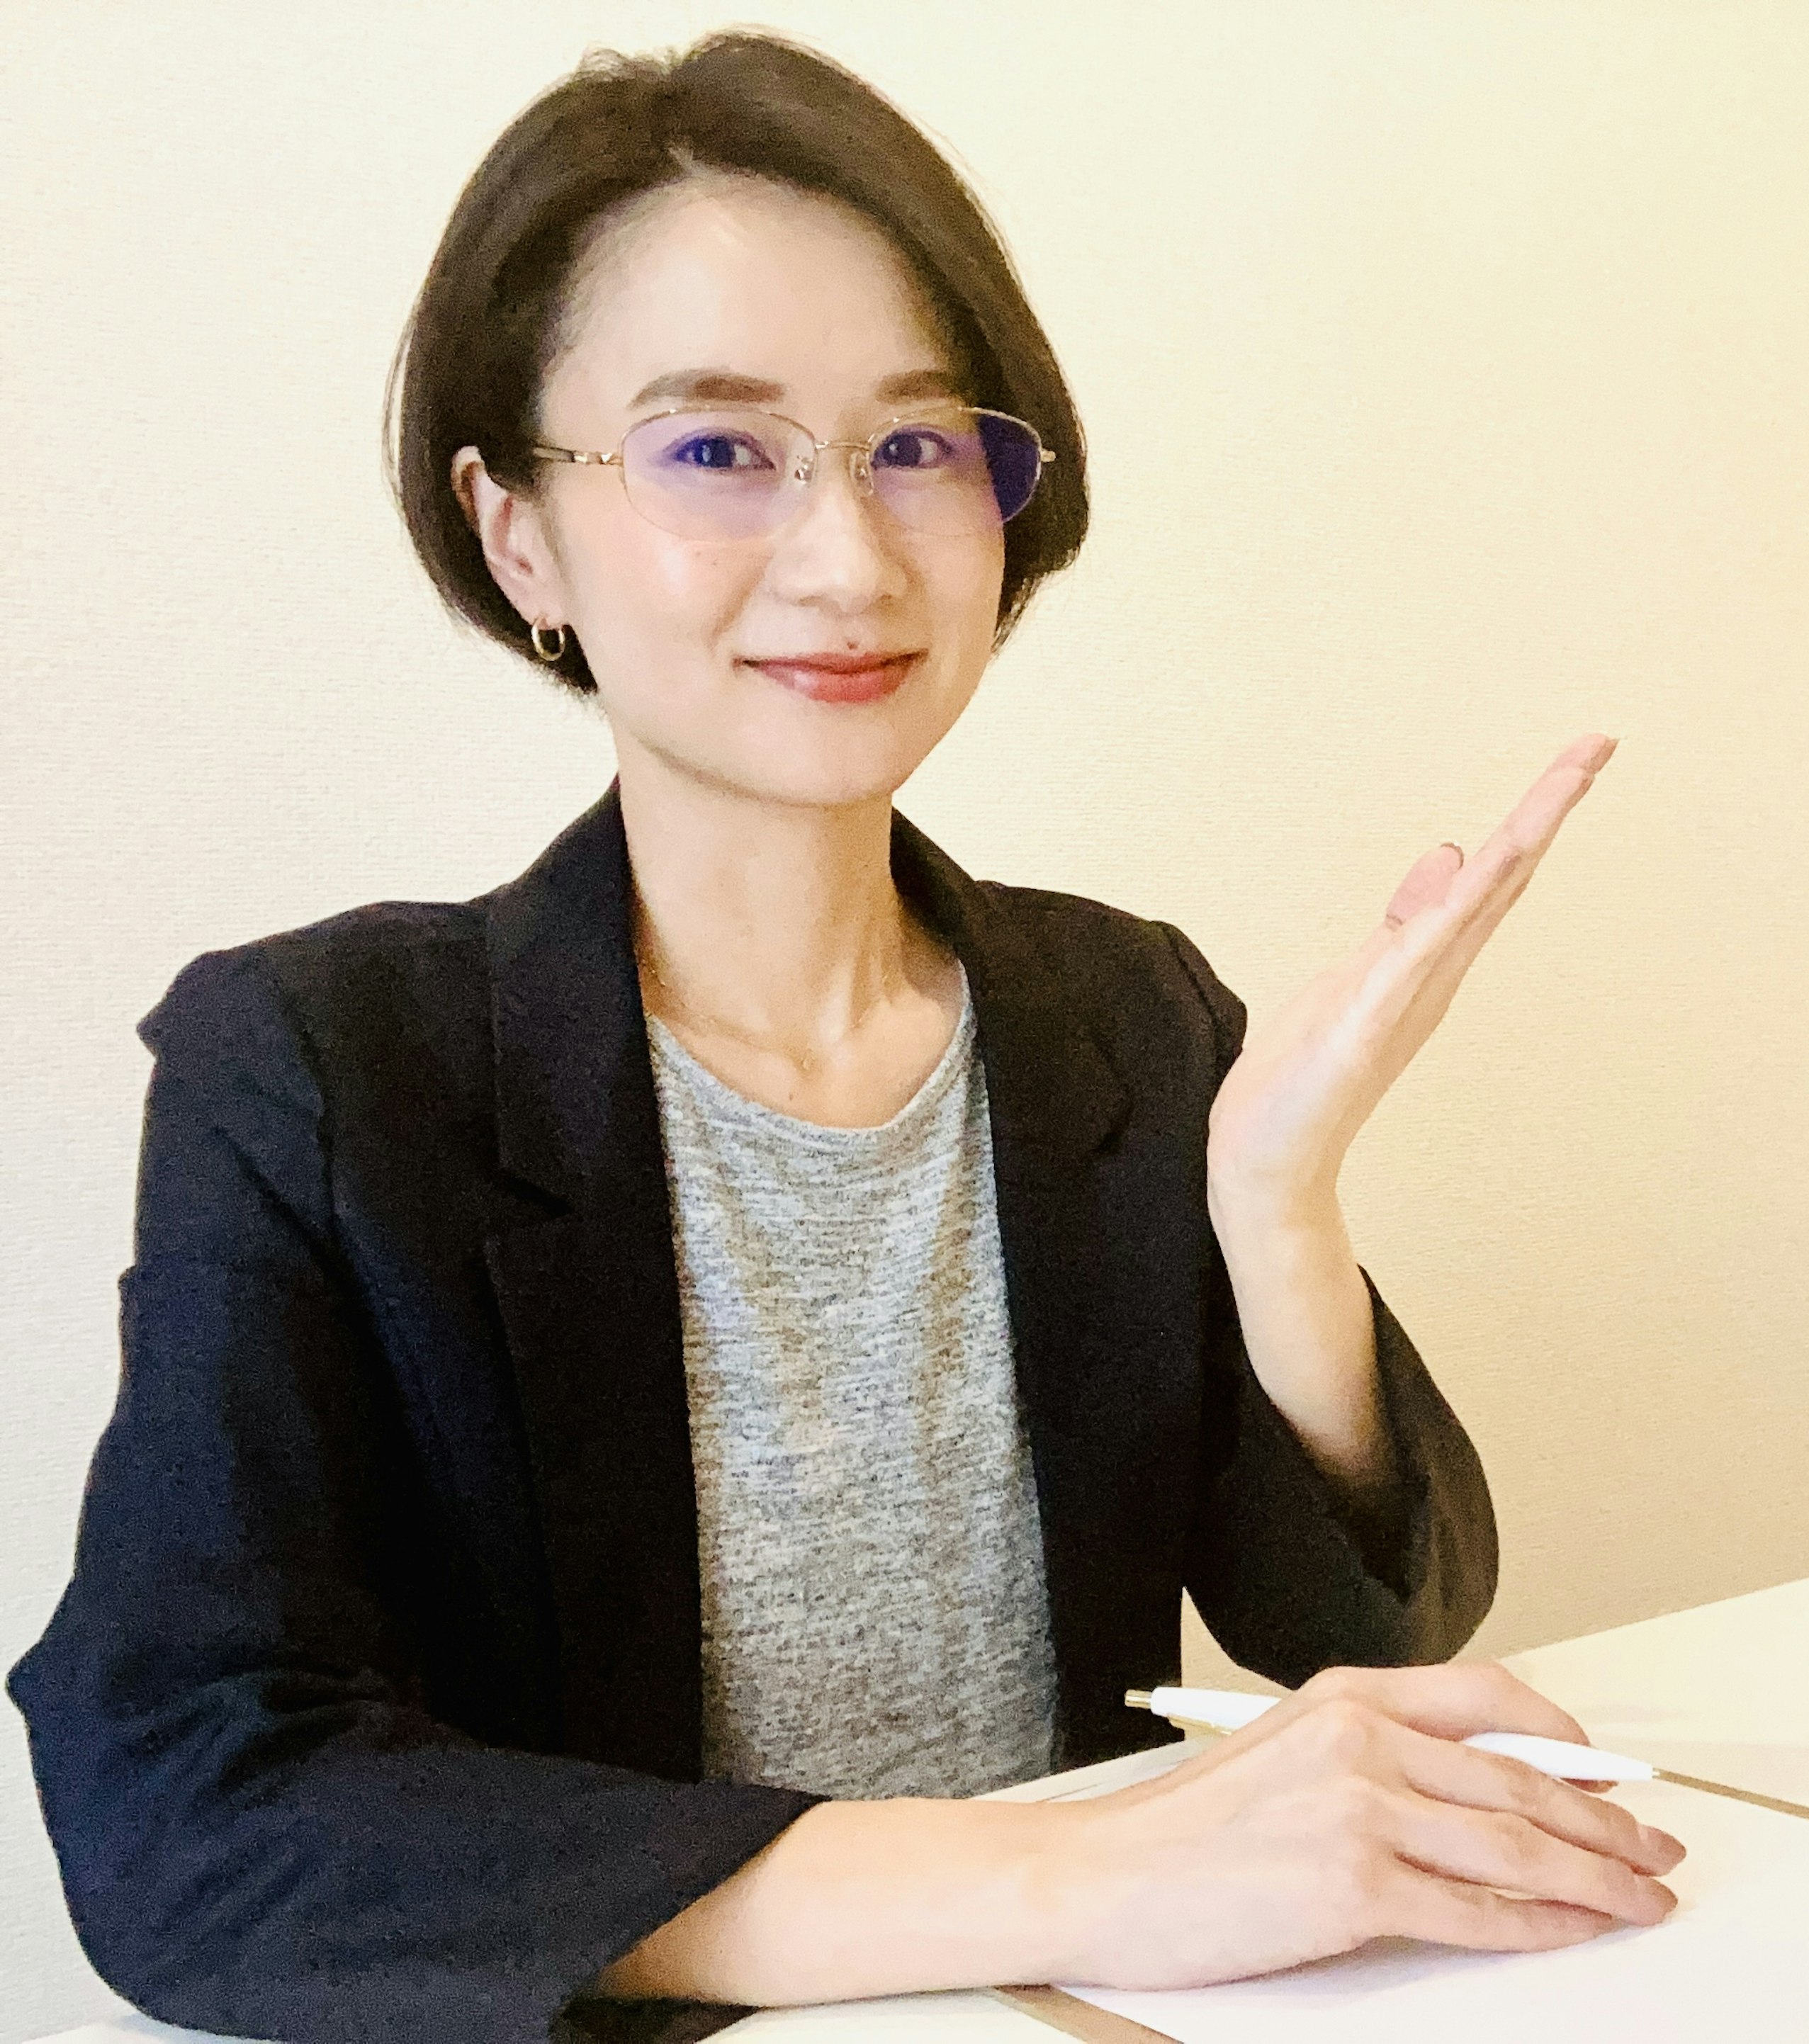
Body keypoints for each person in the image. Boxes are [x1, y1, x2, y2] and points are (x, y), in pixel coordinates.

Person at [7, 28, 1682, 2044]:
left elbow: (1369, 1629)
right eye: (717, 450)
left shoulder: (1122, 1014)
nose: (851, 555)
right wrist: (1080, 1875)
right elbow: (190, 1807)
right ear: (518, 530)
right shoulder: (325, 1068)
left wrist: (1282, 1215)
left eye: (916, 444)